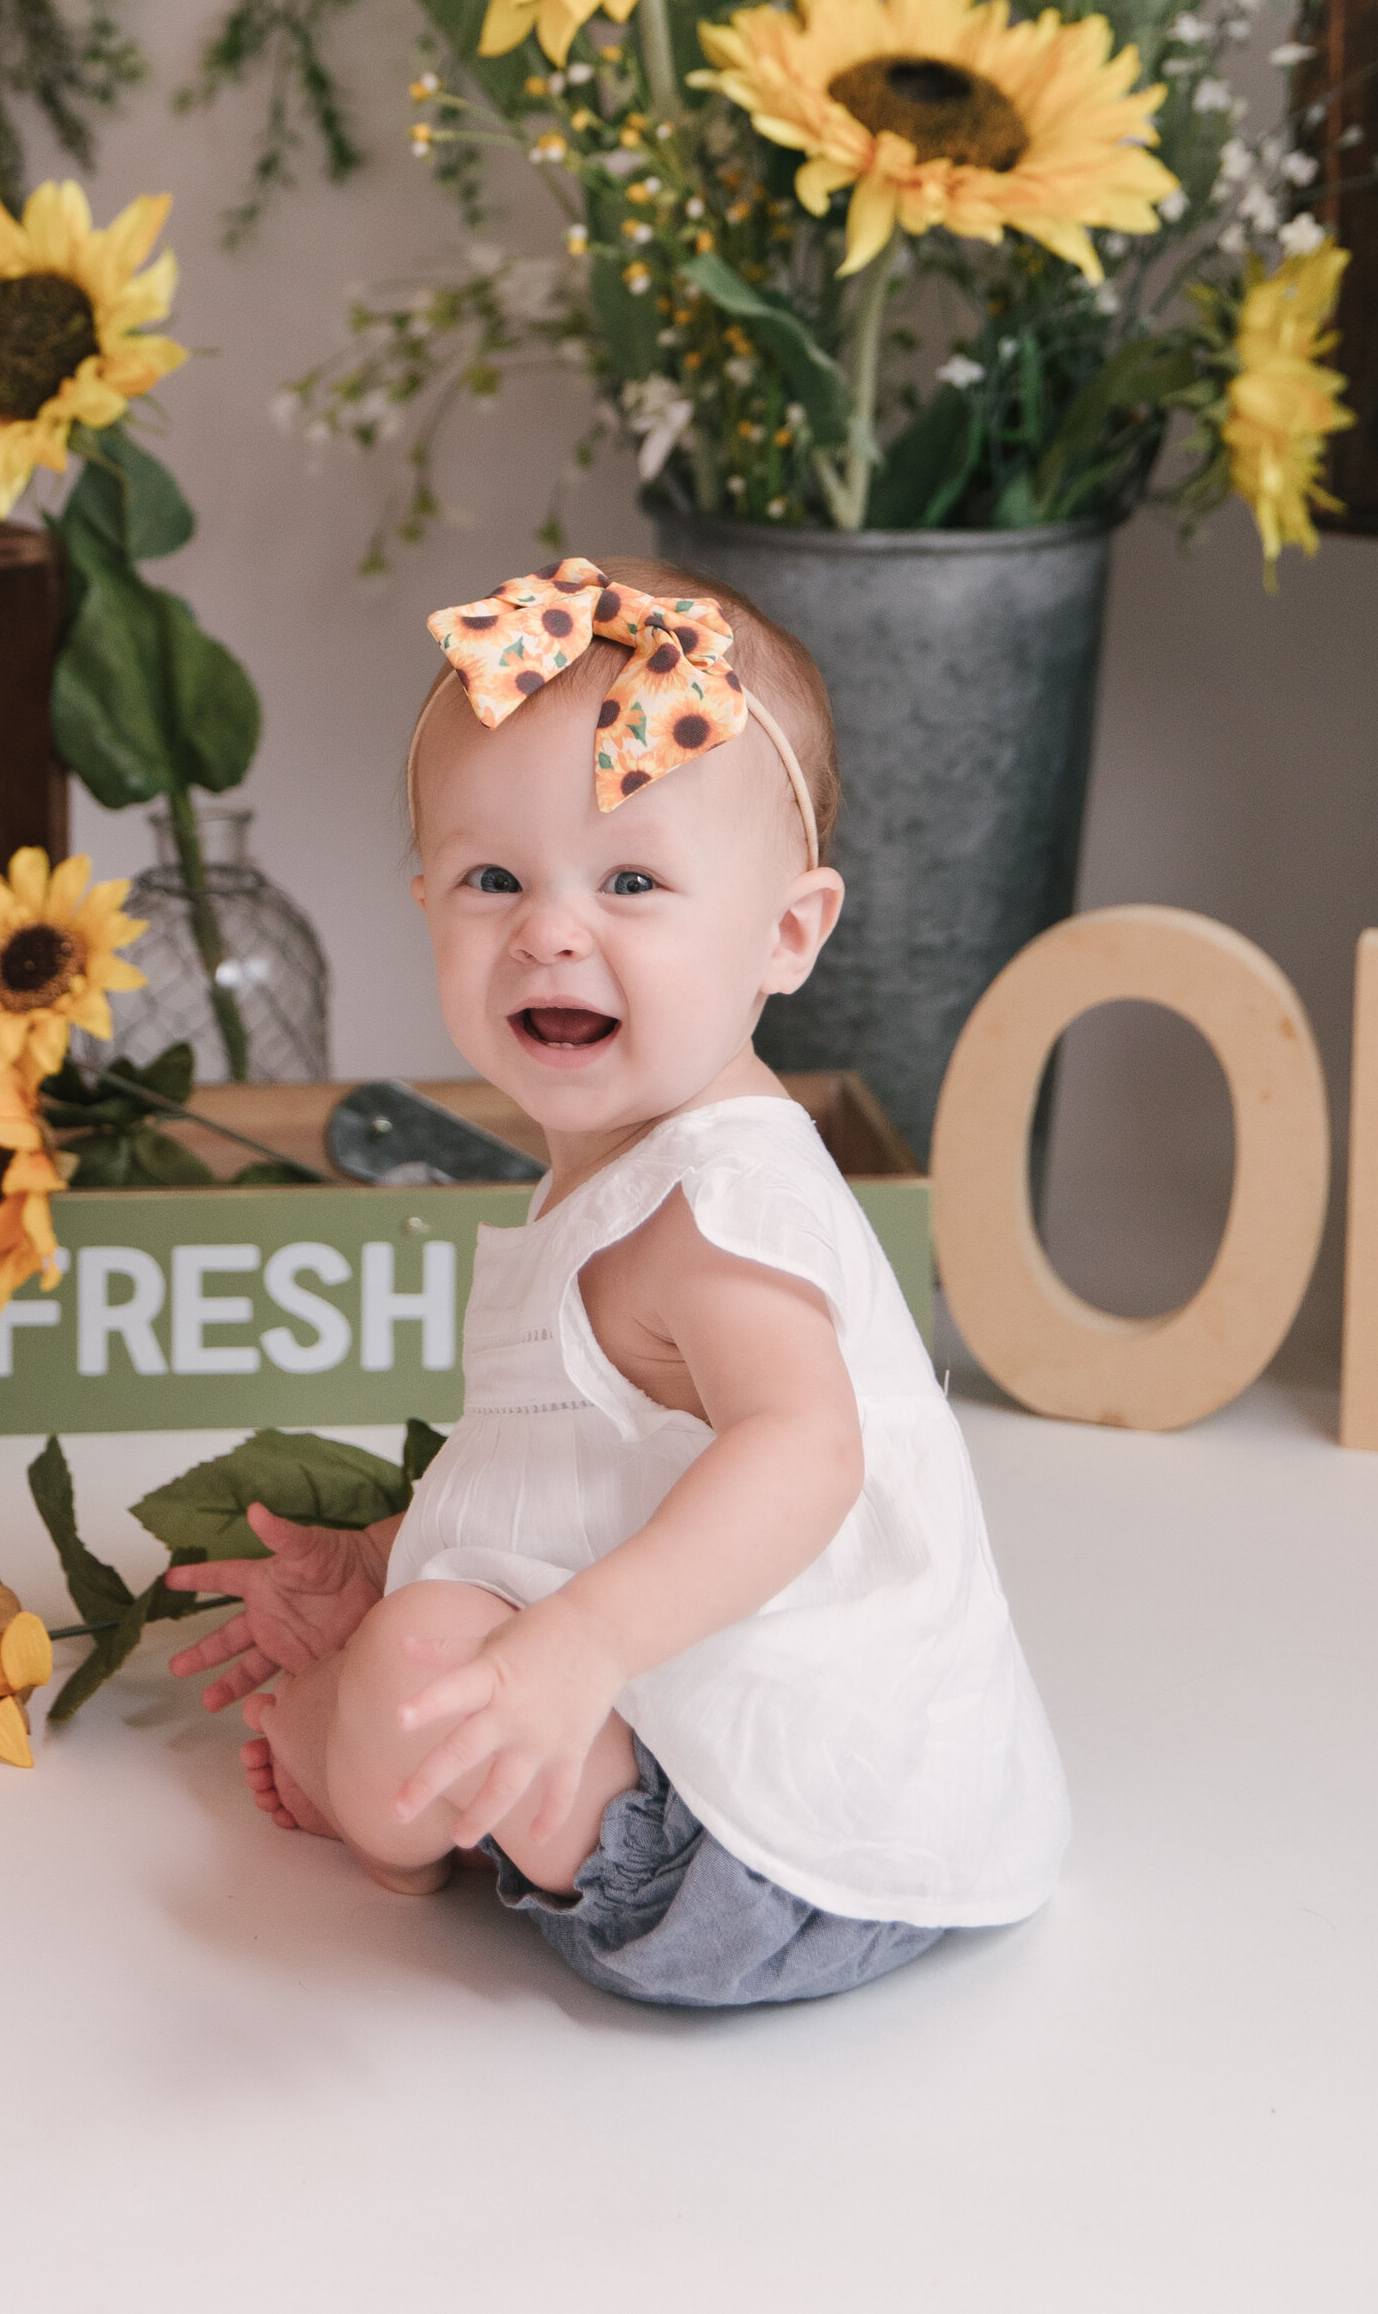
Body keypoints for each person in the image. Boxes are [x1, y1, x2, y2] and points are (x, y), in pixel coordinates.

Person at [169, 552, 1069, 2010]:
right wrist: (402, 1543)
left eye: (633, 879)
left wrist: (566, 1650)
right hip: (807, 1808)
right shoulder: (623, 1168)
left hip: (758, 1847)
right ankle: (420, 1721)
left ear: (788, 930)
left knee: (422, 1668)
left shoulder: (716, 1202)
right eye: (493, 879)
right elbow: (603, 1468)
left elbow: (808, 1453)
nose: (551, 926)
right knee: (433, 1624)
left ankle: (365, 1785)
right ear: (426, 902)